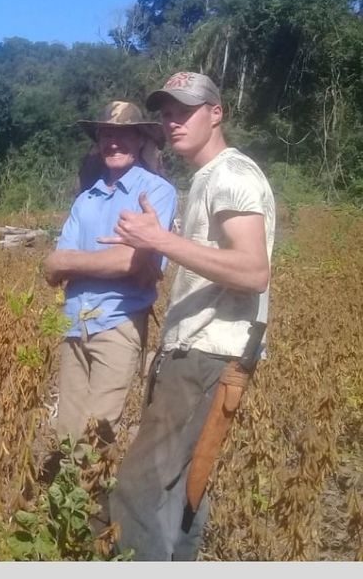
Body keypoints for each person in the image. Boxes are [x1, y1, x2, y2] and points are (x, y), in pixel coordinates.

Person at [101, 72, 276, 560]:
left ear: (216, 113)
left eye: (186, 111)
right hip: (195, 353)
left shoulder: (231, 175)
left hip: (207, 354)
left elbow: (253, 271)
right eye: (167, 113)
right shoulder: (207, 177)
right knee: (180, 490)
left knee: (141, 489)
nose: (173, 121)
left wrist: (160, 240)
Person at [44, 101, 177, 446]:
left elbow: (128, 263)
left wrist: (76, 262)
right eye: (105, 134)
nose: (113, 142)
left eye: (123, 134)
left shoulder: (156, 192)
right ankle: (66, 483)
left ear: (140, 140)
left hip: (118, 323)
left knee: (98, 434)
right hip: (75, 324)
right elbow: (52, 267)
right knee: (67, 433)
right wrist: (104, 260)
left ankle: (92, 483)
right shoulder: (86, 199)